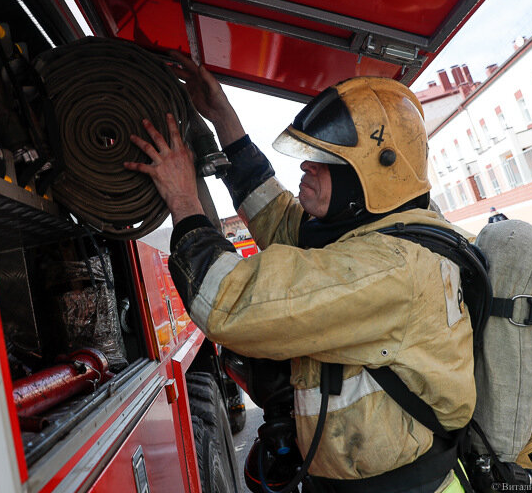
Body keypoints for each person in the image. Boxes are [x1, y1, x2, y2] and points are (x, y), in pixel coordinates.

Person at [126, 58, 475, 492]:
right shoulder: (367, 233)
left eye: (322, 160)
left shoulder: (388, 266)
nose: (305, 167)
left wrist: (182, 197)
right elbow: (279, 219)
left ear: (369, 175)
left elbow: (229, 302)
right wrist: (224, 119)